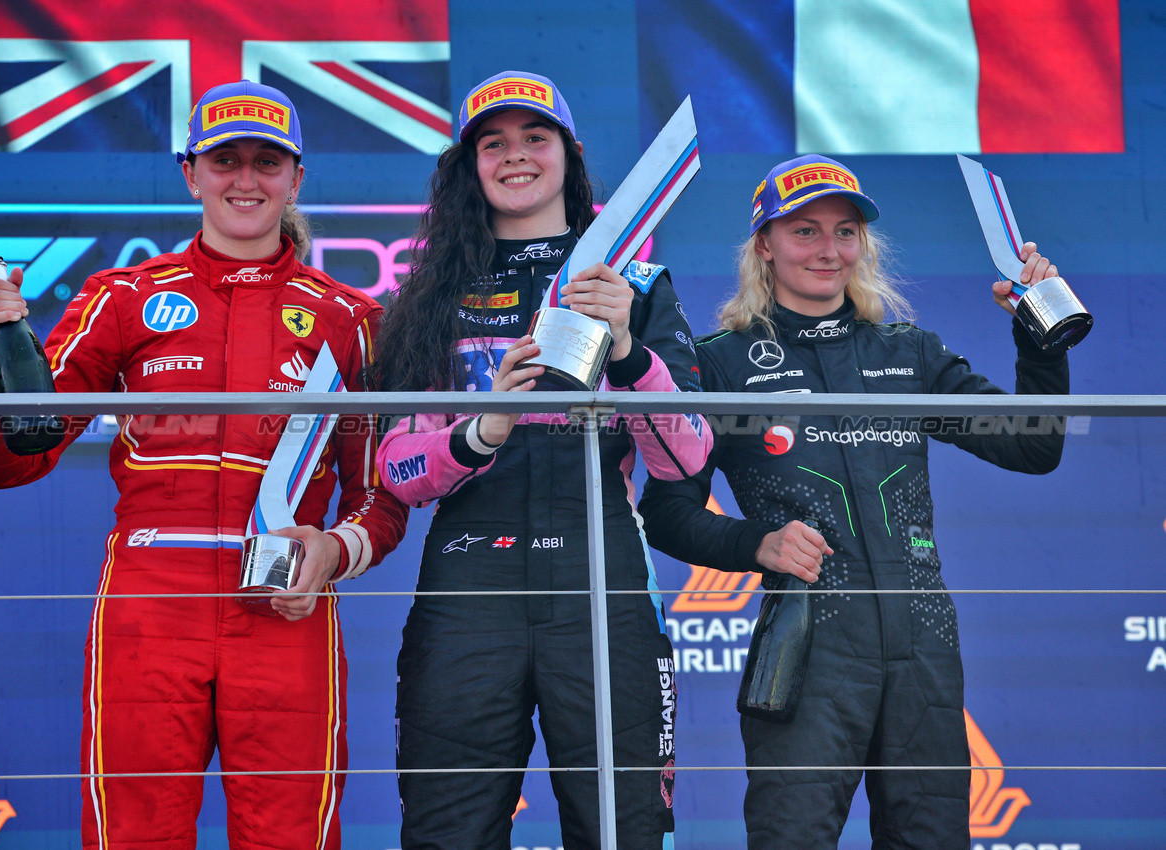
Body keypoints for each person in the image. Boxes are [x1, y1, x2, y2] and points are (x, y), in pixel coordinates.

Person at [0, 80, 408, 849]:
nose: (245, 180)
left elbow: (383, 498)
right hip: (148, 606)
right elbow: (14, 463)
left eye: (266, 163)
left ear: (296, 178)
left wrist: (333, 551)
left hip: (284, 609)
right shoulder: (121, 298)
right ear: (189, 174)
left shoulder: (351, 321)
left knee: (291, 839)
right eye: (224, 160)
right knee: (134, 835)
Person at [637, 154, 1070, 849]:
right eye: (804, 231)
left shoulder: (910, 352)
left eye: (844, 232)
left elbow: (1031, 446)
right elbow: (662, 511)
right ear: (764, 246)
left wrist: (1039, 338)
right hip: (808, 644)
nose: (828, 250)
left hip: (922, 638)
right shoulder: (716, 364)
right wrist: (755, 545)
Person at [369, 70, 711, 849]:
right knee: (445, 835)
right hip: (466, 588)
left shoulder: (635, 282)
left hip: (602, 581)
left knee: (623, 833)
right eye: (494, 143)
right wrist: (480, 431)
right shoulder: (427, 293)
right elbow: (394, 469)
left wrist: (625, 350)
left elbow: (686, 460)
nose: (514, 156)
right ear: (469, 165)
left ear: (570, 154)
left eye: (534, 138)